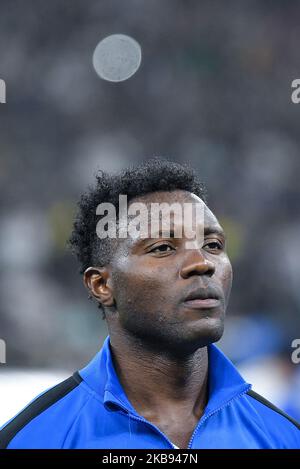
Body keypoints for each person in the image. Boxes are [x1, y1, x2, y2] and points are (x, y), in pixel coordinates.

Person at [1, 158, 299, 449]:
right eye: (163, 247)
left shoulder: (283, 436)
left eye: (213, 245)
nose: (202, 263)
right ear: (102, 285)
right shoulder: (34, 439)